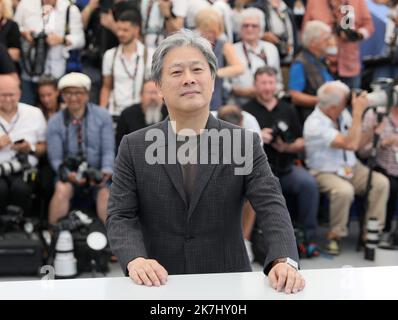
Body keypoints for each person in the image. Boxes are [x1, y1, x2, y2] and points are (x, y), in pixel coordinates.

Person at [107, 29, 304, 294]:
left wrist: (283, 259)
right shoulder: (134, 146)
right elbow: (121, 215)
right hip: (157, 284)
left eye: (197, 70)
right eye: (176, 72)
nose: (188, 79)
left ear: (212, 80)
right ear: (159, 87)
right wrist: (135, 259)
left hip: (227, 283)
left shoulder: (243, 142)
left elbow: (271, 205)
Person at [303, 81, 389, 255]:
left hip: (351, 167)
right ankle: (335, 235)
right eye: (346, 99)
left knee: (381, 183)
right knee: (344, 191)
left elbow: (356, 144)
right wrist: (358, 112)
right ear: (334, 107)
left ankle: (371, 232)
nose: (350, 101)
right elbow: (350, 144)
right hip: (324, 171)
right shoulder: (314, 124)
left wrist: (372, 132)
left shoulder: (342, 115)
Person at [243, 66, 319, 248]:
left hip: (286, 167)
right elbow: (238, 144)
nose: (267, 88)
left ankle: (309, 238)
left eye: (271, 83)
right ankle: (250, 241)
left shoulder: (288, 108)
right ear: (255, 85)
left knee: (308, 184)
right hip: (258, 172)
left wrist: (286, 146)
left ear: (276, 85)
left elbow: (302, 141)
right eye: (263, 83)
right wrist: (259, 136)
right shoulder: (246, 111)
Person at [47, 72, 114, 225]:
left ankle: (113, 242)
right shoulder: (55, 122)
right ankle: (53, 236)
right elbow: (56, 159)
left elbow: (109, 150)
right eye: (68, 93)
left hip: (97, 173)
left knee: (106, 194)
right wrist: (67, 173)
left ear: (87, 94)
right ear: (62, 96)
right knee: (61, 190)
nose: (73, 97)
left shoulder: (103, 116)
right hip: (69, 175)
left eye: (78, 93)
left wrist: (106, 170)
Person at [14, 0, 85, 105]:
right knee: (26, 106)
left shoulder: (70, 8)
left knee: (56, 109)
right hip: (30, 69)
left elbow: (80, 40)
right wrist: (24, 33)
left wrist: (62, 40)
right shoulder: (25, 4)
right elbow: (14, 27)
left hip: (57, 70)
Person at [0, 74, 47, 216]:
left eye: (12, 95)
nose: (8, 99)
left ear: (20, 94)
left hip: (25, 169)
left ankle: (21, 227)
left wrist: (30, 148)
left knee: (21, 189)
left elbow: (44, 147)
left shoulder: (34, 113)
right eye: (3, 95)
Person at [303, 0, 374, 89]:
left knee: (353, 99)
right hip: (323, 67)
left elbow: (369, 26)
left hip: (350, 64)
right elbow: (305, 32)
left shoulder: (357, 1)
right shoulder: (314, 2)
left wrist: (357, 35)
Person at [100, 9, 154, 118]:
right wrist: (102, 114)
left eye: (125, 30)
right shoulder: (110, 55)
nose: (120, 33)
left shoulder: (150, 55)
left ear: (136, 30)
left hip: (139, 114)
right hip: (115, 113)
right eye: (118, 29)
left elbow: (153, 87)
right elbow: (106, 87)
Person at [195, 7, 244, 110]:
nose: (210, 35)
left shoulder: (223, 45)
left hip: (217, 89)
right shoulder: (194, 45)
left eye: (213, 31)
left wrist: (215, 73)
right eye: (206, 31)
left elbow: (239, 68)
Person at [288, 20, 334, 125]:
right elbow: (295, 96)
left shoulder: (321, 60)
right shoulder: (300, 63)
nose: (330, 42)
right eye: (326, 39)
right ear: (313, 43)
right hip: (312, 118)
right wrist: (322, 101)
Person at [116, 79, 168, 149]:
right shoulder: (127, 115)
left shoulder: (171, 114)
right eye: (149, 93)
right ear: (141, 95)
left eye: (156, 93)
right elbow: (120, 146)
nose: (153, 97)